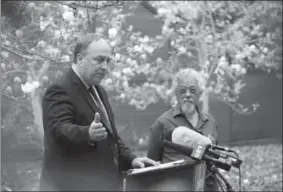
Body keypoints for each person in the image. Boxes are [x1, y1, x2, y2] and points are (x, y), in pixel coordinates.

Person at [39, 34, 159, 191]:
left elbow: (111, 137)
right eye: (99, 59)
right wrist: (87, 133)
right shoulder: (60, 89)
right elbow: (58, 129)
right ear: (80, 58)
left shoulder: (99, 90)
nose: (105, 67)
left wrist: (131, 160)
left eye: (108, 61)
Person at [147, 68, 219, 191]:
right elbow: (151, 167)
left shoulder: (210, 121)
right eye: (182, 90)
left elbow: (215, 159)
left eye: (192, 90)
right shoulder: (162, 123)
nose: (187, 94)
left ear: (200, 93)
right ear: (176, 93)